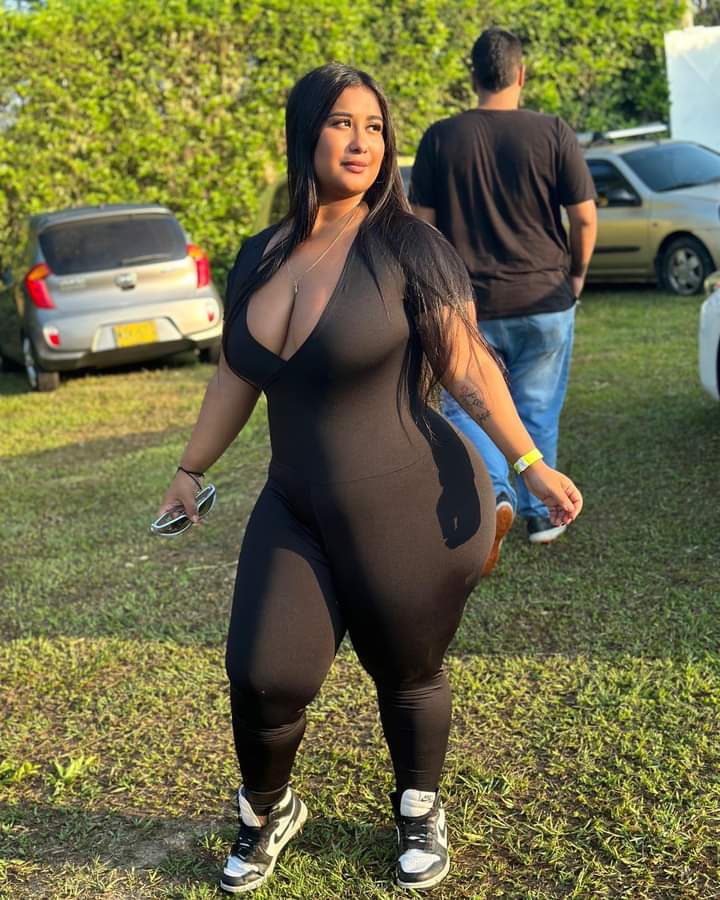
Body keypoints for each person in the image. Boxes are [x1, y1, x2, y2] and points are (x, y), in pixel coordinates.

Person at [155, 62, 583, 895]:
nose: (362, 142)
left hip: (405, 502)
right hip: (296, 505)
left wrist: (530, 462)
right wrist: (188, 470)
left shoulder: (409, 246)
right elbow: (235, 374)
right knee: (263, 674)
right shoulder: (261, 254)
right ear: (305, 132)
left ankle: (419, 809)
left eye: (375, 126)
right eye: (342, 122)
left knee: (408, 672)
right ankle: (267, 810)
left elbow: (467, 366)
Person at [410, 27, 597, 576]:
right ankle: (544, 515)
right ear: (521, 74)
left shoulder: (440, 138)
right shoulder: (553, 131)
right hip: (545, 295)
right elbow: (584, 217)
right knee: (537, 406)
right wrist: (577, 274)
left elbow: (423, 229)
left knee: (470, 406)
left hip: (465, 305)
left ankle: (495, 494)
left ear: (473, 76)